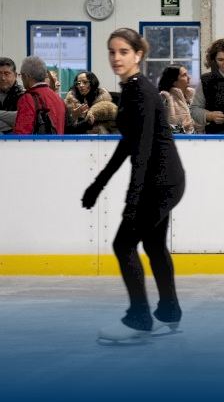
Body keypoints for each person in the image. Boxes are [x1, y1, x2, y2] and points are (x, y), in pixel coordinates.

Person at [81, 28, 186, 344]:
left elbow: (141, 151)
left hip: (160, 181)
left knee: (123, 244)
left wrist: (132, 201)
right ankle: (169, 312)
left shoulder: (140, 91)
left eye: (124, 51)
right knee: (153, 245)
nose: (116, 58)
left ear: (138, 54)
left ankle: (140, 319)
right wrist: (98, 185)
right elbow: (127, 143)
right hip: (165, 179)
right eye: (112, 51)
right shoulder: (132, 89)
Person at [13, 56, 65, 135]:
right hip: (58, 142)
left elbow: (21, 134)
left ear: (27, 76)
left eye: (21, 75)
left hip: (37, 143)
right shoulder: (58, 98)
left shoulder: (28, 98)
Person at [157, 66, 196, 135]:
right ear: (174, 81)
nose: (189, 77)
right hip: (176, 140)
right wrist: (182, 128)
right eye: (184, 75)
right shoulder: (165, 98)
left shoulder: (193, 95)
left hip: (198, 139)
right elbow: (159, 126)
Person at [0, 57, 24, 134]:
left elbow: (21, 119)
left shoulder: (23, 95)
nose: (2, 78)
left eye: (6, 74)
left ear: (15, 75)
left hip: (16, 139)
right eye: (0, 73)